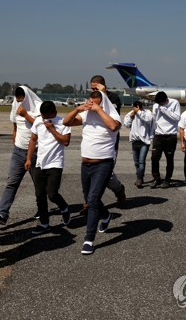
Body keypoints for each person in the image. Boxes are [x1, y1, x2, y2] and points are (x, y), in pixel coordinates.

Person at [63, 90, 121, 255]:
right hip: (85, 164)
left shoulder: (112, 115)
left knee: (93, 200)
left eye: (95, 102)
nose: (92, 104)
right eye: (90, 101)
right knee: (88, 198)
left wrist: (98, 110)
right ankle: (106, 215)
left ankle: (89, 239)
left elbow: (113, 126)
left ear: (102, 103)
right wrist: (78, 109)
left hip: (103, 164)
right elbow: (66, 122)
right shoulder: (85, 115)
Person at [0, 86, 41, 226]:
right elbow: (15, 125)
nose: (20, 102)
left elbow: (41, 126)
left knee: (39, 185)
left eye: (22, 99)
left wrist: (26, 115)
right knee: (11, 183)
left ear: (27, 97)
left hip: (35, 152)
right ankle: (3, 213)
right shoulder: (15, 104)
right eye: (18, 100)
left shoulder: (38, 106)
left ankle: (42, 210)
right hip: (18, 151)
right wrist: (14, 140)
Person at [80, 76, 126, 214]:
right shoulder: (92, 98)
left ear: (103, 86)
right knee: (89, 177)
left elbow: (113, 117)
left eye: (96, 88)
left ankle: (118, 188)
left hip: (109, 142)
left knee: (107, 175)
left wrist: (104, 94)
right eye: (92, 88)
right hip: (93, 140)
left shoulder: (114, 98)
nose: (94, 91)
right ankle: (90, 202)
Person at [24, 101, 71, 234]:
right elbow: (33, 140)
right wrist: (28, 158)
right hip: (40, 163)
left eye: (48, 117)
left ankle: (64, 207)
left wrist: (51, 128)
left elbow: (65, 141)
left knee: (52, 193)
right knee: (40, 195)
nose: (45, 120)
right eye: (44, 117)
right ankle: (44, 224)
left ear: (55, 113)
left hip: (55, 163)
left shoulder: (63, 123)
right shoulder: (38, 122)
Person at [150, 91, 181, 189]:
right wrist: (152, 134)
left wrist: (165, 110)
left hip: (170, 136)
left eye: (161, 103)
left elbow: (177, 118)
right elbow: (154, 120)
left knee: (169, 159)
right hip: (158, 136)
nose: (159, 105)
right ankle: (156, 178)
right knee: (154, 158)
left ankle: (167, 180)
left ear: (166, 100)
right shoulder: (156, 106)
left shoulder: (174, 103)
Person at [123, 100, 154, 188]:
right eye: (135, 107)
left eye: (139, 107)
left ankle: (140, 178)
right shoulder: (131, 113)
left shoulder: (147, 113)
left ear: (141, 107)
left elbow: (148, 120)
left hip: (144, 141)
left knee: (141, 161)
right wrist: (131, 117)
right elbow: (126, 124)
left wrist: (139, 112)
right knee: (136, 162)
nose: (136, 109)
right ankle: (139, 177)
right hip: (135, 141)